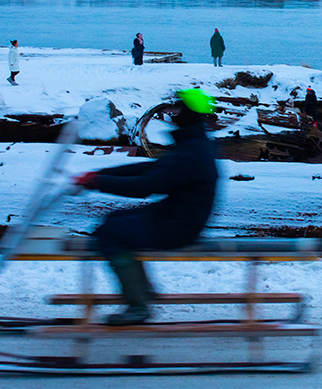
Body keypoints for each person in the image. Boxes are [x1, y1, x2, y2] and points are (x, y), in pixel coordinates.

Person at [72, 89, 219, 326]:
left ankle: (138, 306)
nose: (174, 112)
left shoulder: (192, 151)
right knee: (112, 222)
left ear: (189, 113)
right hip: (177, 216)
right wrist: (99, 174)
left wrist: (97, 182)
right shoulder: (193, 142)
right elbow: (149, 169)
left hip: (180, 225)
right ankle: (142, 291)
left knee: (110, 234)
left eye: (179, 108)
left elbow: (146, 185)